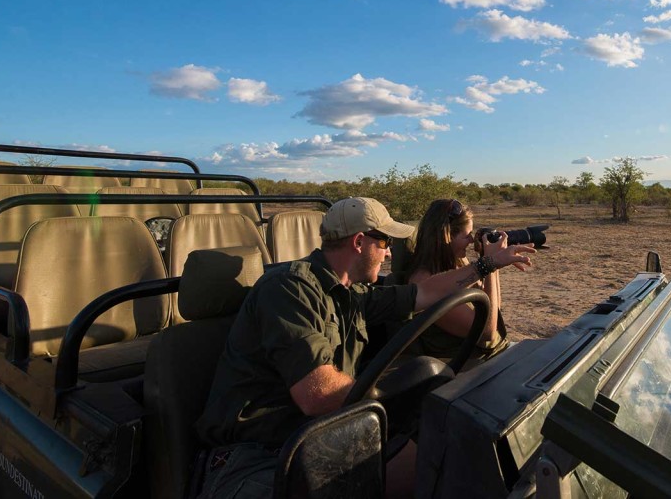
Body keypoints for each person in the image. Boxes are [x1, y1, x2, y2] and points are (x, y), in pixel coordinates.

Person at [194, 196, 534, 499]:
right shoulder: (289, 289)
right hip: (258, 461)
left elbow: (426, 293)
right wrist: (395, 392)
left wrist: (488, 265)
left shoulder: (352, 293)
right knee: (441, 446)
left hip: (324, 440)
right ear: (359, 241)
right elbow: (318, 395)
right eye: (384, 242)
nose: (388, 252)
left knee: (454, 450)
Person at [397, 199, 512, 363]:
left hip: (487, 356)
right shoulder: (423, 280)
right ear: (447, 236)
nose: (472, 241)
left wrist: (492, 264)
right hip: (462, 367)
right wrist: (490, 263)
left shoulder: (456, 265)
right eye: (467, 235)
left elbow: (493, 310)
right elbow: (487, 332)